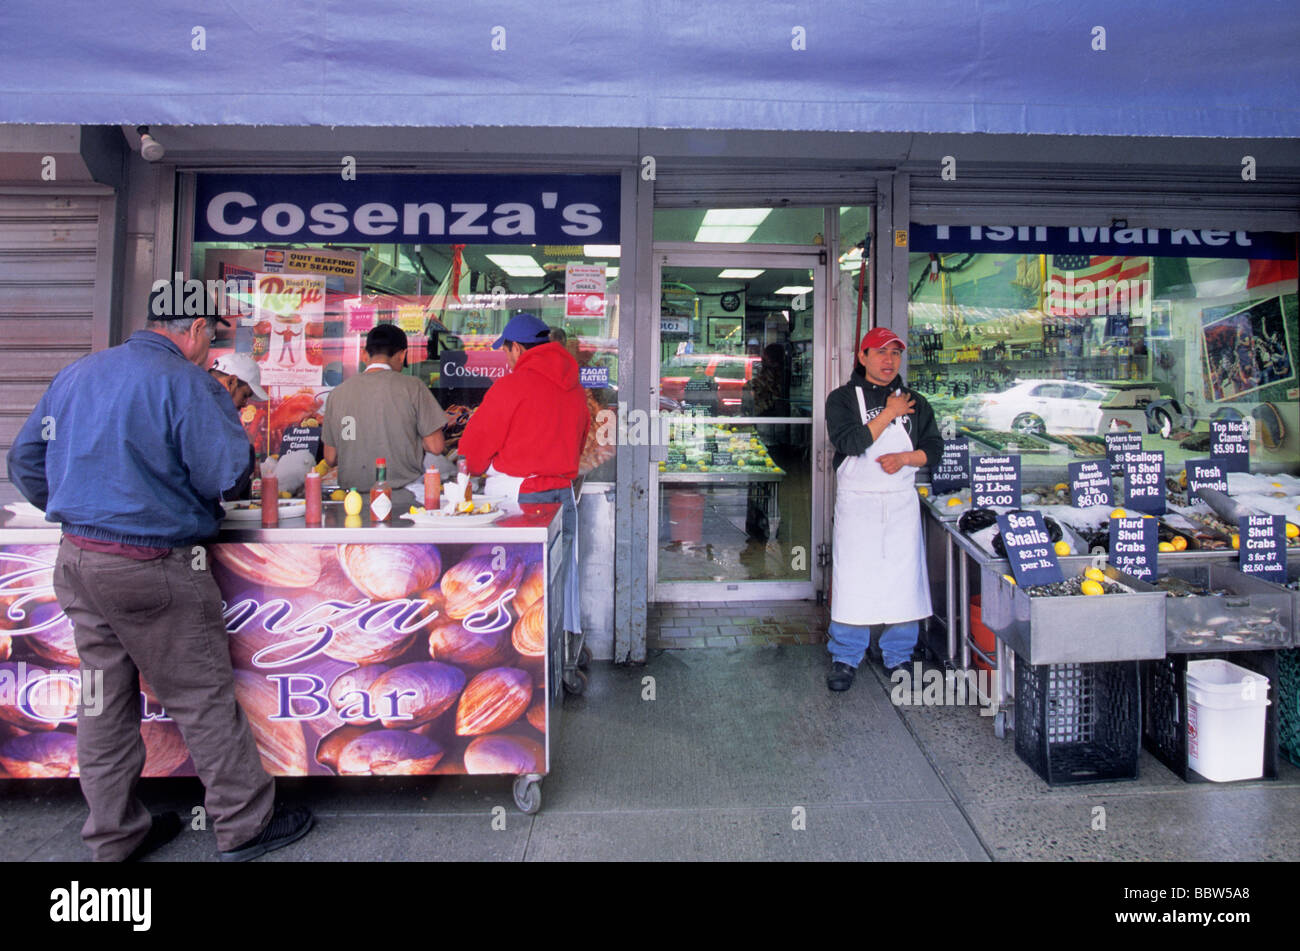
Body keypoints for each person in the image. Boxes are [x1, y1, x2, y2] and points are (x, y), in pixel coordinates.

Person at [5, 288, 313, 861]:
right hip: (152, 565)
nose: (211, 348)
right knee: (201, 696)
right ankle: (245, 824)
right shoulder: (189, 384)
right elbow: (225, 475)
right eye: (212, 336)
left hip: (78, 562)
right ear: (194, 327)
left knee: (103, 699)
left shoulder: (77, 374)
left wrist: (76, 506)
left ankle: (114, 834)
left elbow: (24, 460)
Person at [823, 327, 942, 692]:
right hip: (858, 503)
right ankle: (846, 655)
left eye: (896, 353)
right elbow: (851, 442)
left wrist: (907, 457)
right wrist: (889, 412)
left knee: (901, 579)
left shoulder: (916, 402)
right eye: (880, 352)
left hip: (900, 502)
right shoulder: (840, 399)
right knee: (854, 578)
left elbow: (934, 448)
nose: (889, 360)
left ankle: (898, 655)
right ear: (863, 356)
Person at [458, 313, 590, 632]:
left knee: (523, 589)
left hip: (523, 499)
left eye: (505, 350)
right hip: (563, 496)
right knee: (560, 581)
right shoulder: (575, 389)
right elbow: (581, 438)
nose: (506, 358)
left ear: (517, 348)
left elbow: (474, 447)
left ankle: (534, 668)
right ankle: (565, 662)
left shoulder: (511, 386)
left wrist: (469, 471)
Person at [321, 323, 448, 512]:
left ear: (365, 355)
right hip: (403, 499)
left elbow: (330, 458)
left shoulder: (338, 394)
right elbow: (436, 446)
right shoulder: (412, 386)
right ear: (402, 355)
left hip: (352, 502)